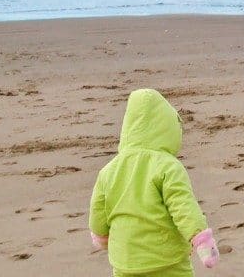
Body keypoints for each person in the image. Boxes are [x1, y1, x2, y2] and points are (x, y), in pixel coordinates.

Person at [89, 88, 219, 276]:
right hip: (167, 261)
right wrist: (202, 240)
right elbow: (184, 208)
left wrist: (101, 237)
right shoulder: (168, 167)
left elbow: (98, 211)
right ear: (168, 128)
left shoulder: (108, 171)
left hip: (125, 261)